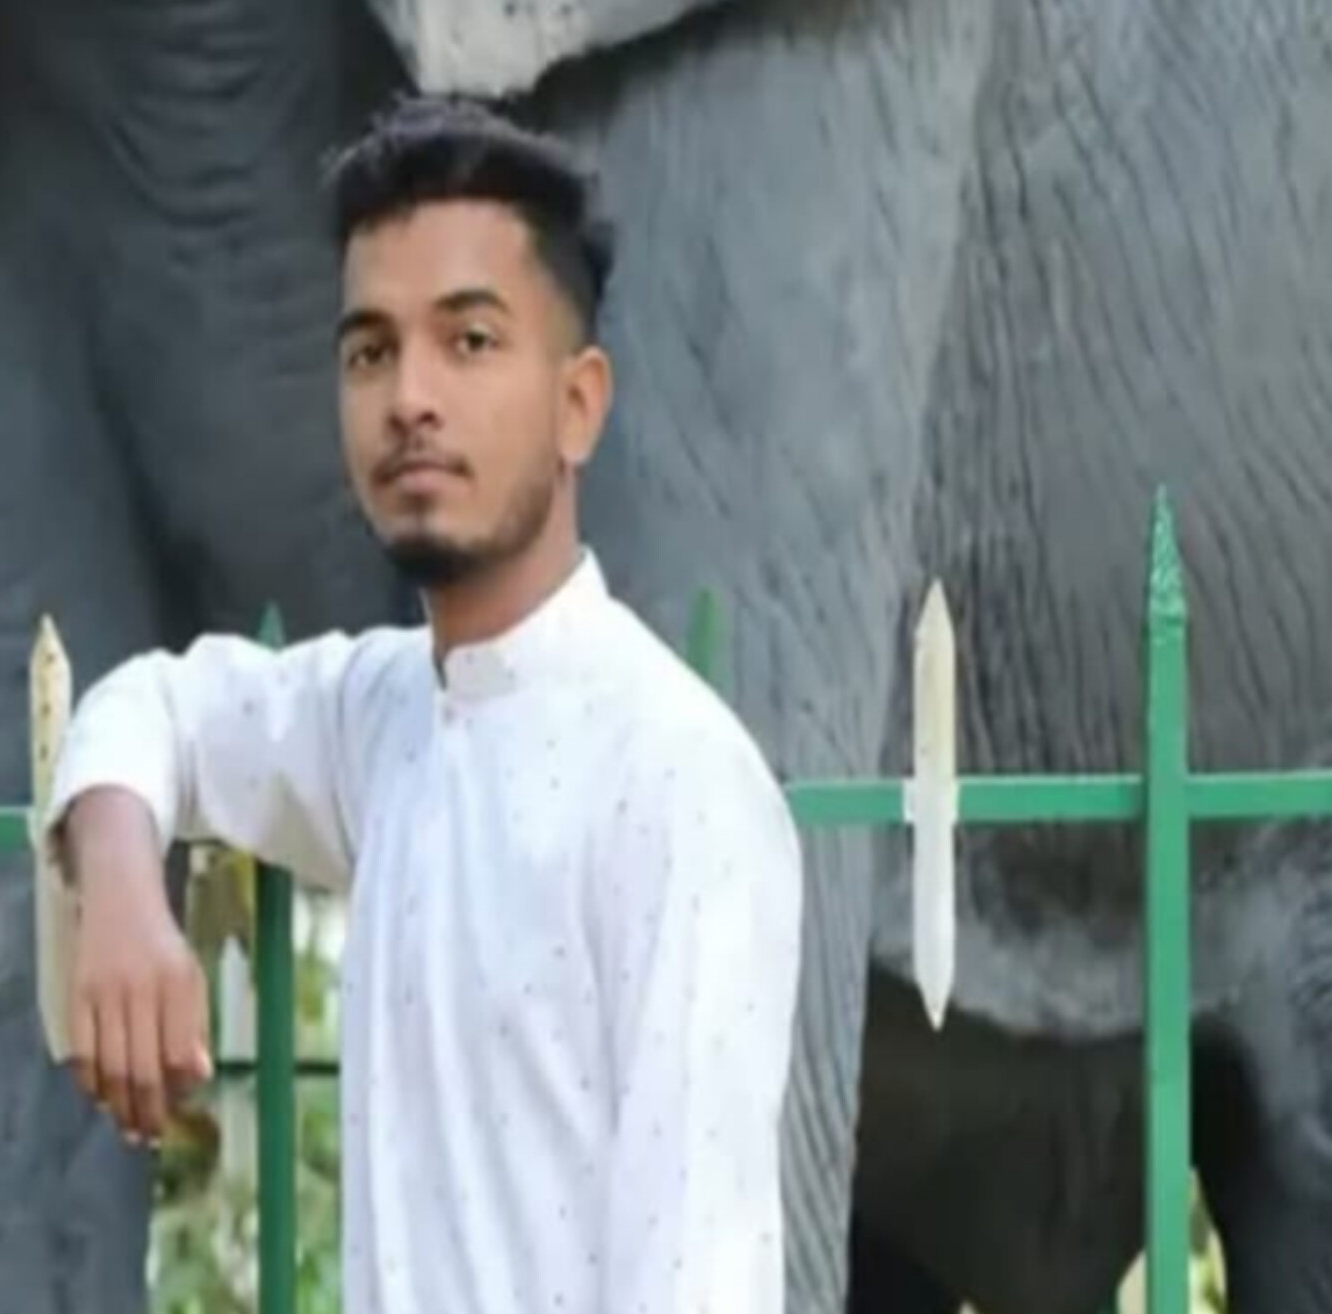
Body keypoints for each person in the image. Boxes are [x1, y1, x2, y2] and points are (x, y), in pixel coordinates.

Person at [43, 93, 805, 1314]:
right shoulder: (387, 718)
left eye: (471, 341)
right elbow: (157, 708)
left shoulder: (677, 783)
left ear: (578, 404)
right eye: (371, 351)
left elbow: (697, 1281)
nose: (410, 398)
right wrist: (124, 885)